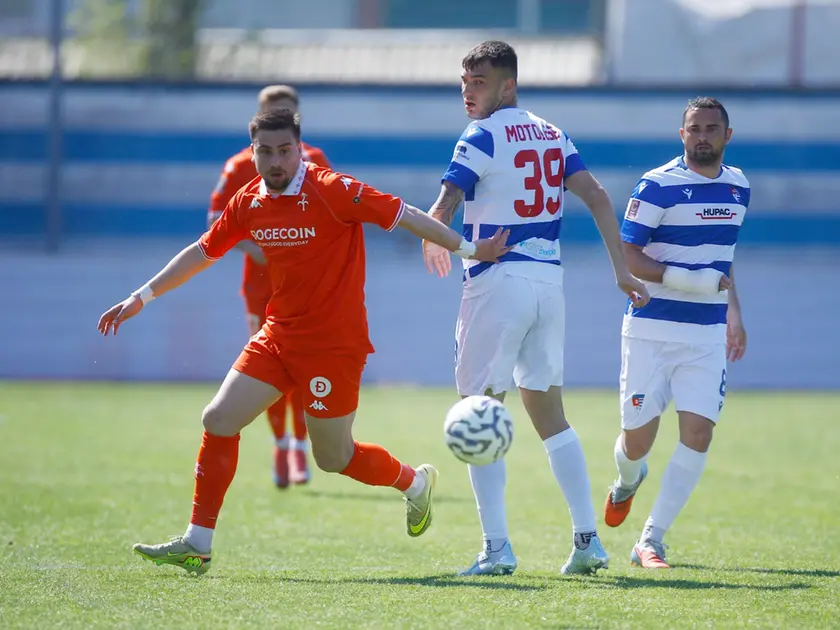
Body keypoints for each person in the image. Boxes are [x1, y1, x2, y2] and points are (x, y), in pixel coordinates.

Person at [98, 108, 512, 575]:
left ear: (300, 149)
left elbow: (406, 214)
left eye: (284, 150)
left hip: (333, 346)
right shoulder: (248, 201)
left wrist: (472, 250)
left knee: (334, 457)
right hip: (278, 335)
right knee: (218, 419)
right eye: (265, 152)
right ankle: (198, 543)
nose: (276, 161)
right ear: (252, 152)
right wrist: (142, 296)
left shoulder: (333, 190)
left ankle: (413, 483)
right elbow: (202, 251)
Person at [421, 40, 650, 576]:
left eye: (478, 83)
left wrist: (437, 237)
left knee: (478, 408)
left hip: (498, 281)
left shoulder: (479, 134)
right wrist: (620, 268)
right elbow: (595, 193)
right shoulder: (553, 132)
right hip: (548, 281)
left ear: (509, 85)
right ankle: (587, 539)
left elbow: (448, 203)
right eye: (464, 83)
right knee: (550, 415)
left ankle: (497, 550)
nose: (467, 93)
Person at [603, 97, 749, 569]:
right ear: (681, 134)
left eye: (711, 128)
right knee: (637, 443)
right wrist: (688, 280)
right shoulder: (657, 186)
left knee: (699, 433)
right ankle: (627, 480)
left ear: (727, 135)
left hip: (705, 335)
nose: (702, 136)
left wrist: (733, 312)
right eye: (694, 128)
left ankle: (651, 540)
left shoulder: (738, 187)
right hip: (651, 329)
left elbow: (722, 259)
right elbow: (629, 256)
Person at [207, 84, 330, 489]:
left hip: (305, 289)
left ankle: (299, 445)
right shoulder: (241, 165)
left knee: (301, 372)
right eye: (273, 111)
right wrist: (255, 248)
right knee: (269, 371)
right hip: (260, 286)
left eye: (288, 112)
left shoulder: (313, 160)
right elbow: (216, 223)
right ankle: (281, 444)